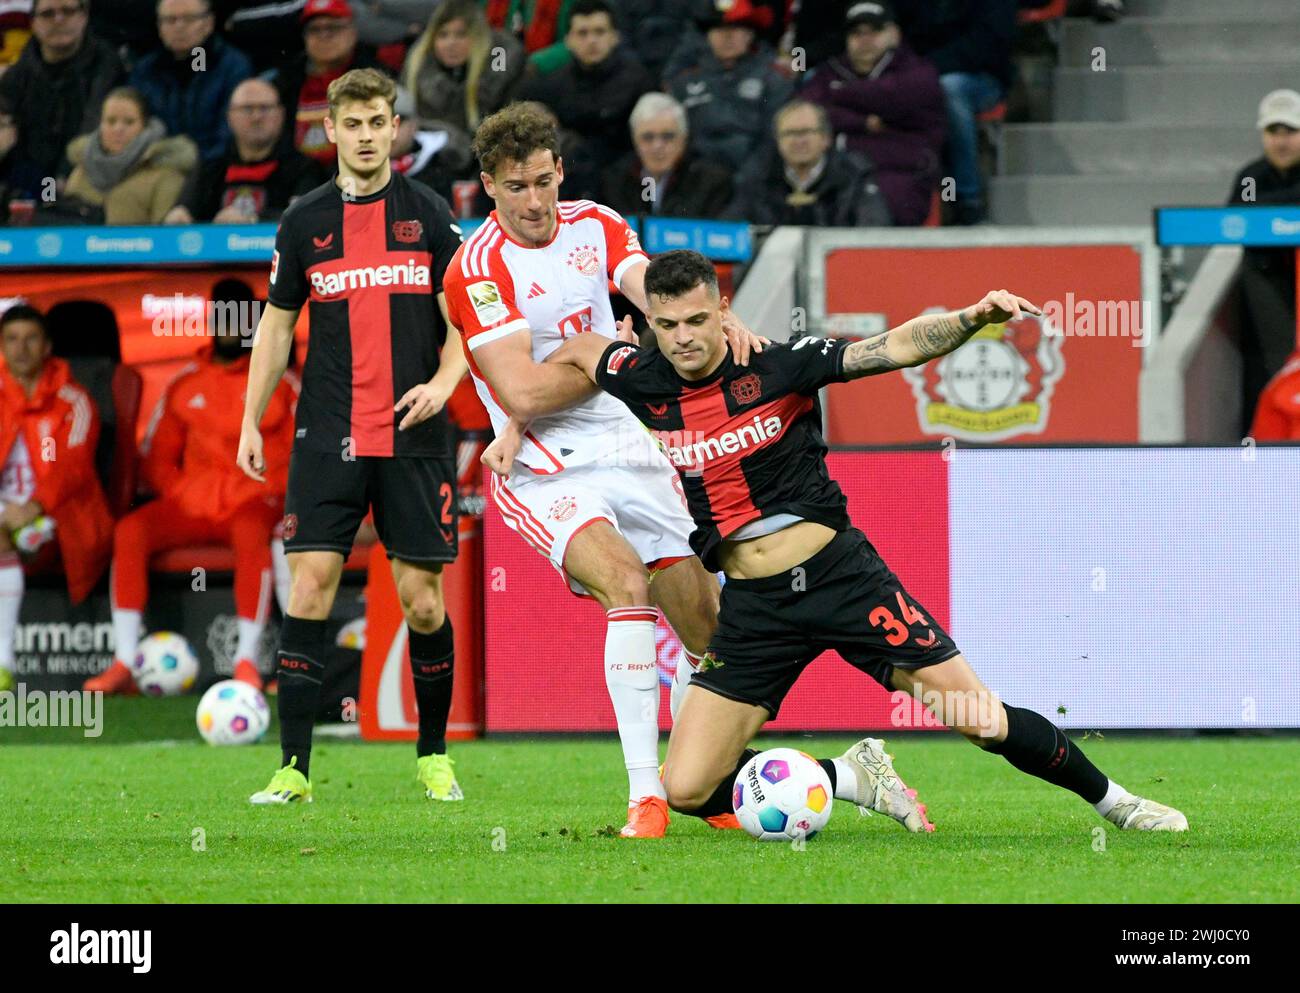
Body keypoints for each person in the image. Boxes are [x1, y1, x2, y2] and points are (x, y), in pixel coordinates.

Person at [537, 249, 1191, 835]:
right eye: (668, 323)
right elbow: (577, 349)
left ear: (722, 312)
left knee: (982, 720)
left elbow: (892, 347)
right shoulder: (640, 376)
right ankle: (850, 774)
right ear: (650, 319)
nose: (683, 337)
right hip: (755, 610)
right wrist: (516, 425)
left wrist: (970, 318)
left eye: (698, 320)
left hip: (841, 580)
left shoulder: (779, 364)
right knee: (686, 787)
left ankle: (1117, 802)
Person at [442, 102, 762, 838]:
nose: (534, 201)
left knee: (707, 624)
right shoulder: (477, 268)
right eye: (516, 186)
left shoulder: (599, 222)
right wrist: (610, 355)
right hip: (543, 461)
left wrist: (704, 319)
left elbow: (653, 287)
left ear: (562, 170)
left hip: (628, 440)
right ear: (488, 185)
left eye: (544, 181)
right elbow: (521, 391)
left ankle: (706, 788)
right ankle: (645, 796)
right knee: (624, 581)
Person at [236, 67, 469, 805]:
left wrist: (443, 383)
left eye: (379, 123)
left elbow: (468, 322)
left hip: (415, 431)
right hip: (326, 431)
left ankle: (433, 756)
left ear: (395, 128)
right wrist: (250, 418)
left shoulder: (431, 214)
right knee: (307, 588)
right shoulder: (303, 222)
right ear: (329, 131)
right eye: (353, 124)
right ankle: (293, 769)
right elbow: (275, 327)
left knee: (423, 602)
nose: (367, 136)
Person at [84, 281, 297, 697]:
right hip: (192, 504)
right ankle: (125, 661)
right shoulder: (185, 382)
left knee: (255, 532)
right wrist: (184, 491)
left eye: (240, 316)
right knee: (131, 531)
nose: (231, 326)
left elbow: (304, 452)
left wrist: (268, 490)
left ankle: (247, 660)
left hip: (254, 503)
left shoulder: (282, 381)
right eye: (223, 315)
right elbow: (156, 457)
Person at [0, 305, 113, 695]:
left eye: (31, 339)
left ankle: (2, 666)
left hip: (56, 519)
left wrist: (33, 507)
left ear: (47, 346)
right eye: (12, 340)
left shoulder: (72, 399)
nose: (21, 349)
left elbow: (74, 466)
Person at [801, 1, 945, 226]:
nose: (864, 40)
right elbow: (805, 111)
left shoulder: (919, 71)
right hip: (835, 173)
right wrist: (862, 122)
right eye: (856, 33)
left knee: (874, 203)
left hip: (900, 174)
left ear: (894, 34)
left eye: (874, 31)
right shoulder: (829, 72)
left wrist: (839, 95)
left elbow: (895, 98)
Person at [516, 0, 654, 204]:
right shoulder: (548, 86)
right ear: (568, 40)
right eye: (582, 33)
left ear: (614, 37)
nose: (591, 40)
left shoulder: (639, 81)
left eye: (599, 32)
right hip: (566, 182)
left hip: (624, 186)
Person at [894, 0, 1017, 225]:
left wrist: (925, 70)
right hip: (923, 74)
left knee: (950, 88)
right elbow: (904, 37)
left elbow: (986, 46)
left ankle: (968, 198)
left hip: (981, 77)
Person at [1229, 88, 1300, 435]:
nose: (1282, 141)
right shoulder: (1251, 177)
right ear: (1263, 136)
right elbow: (1235, 219)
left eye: (1290, 132)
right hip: (1269, 279)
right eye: (1274, 132)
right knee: (1277, 358)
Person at [165, 77, 327, 224]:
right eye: (247, 109)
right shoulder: (210, 168)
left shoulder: (304, 168)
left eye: (265, 108)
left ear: (281, 115)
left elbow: (305, 218)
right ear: (229, 116)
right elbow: (185, 210)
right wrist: (179, 215)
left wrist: (252, 220)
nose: (256, 117)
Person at [664, 0, 793, 175]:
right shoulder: (684, 81)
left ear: (750, 34)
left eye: (735, 29)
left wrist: (750, 176)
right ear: (708, 36)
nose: (727, 37)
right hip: (696, 176)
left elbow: (773, 140)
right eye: (718, 30)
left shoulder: (774, 78)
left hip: (756, 174)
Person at [0, 0, 123, 180]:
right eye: (48, 14)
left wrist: (64, 174)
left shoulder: (107, 66)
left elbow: (93, 127)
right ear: (33, 22)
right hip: (30, 177)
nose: (58, 20)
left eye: (68, 11)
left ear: (84, 16)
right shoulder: (18, 74)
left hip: (85, 173)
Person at [399, 0, 523, 174]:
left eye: (461, 34)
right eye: (443, 35)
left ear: (478, 37)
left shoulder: (499, 67)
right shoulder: (416, 71)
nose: (451, 43)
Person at [725, 100, 890, 227]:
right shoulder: (758, 174)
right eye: (789, 133)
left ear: (826, 138)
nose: (799, 141)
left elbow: (874, 227)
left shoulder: (855, 173)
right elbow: (730, 226)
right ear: (778, 141)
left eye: (806, 132)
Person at [128, 0, 253, 163]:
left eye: (189, 19)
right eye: (170, 20)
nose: (179, 27)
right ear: (159, 27)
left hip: (213, 170)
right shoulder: (145, 71)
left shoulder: (232, 67)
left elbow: (230, 137)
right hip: (156, 169)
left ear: (209, 23)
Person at [270, 0, 387, 166]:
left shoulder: (377, 79)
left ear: (353, 32)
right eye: (315, 30)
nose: (324, 36)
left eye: (333, 28)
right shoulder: (286, 82)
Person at [62, 86, 197, 224]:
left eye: (129, 122)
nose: (118, 129)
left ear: (145, 126)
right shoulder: (81, 171)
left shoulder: (166, 174)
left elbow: (166, 236)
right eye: (111, 121)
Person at [601, 91, 733, 220]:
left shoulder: (711, 183)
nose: (657, 145)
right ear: (635, 140)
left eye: (667, 136)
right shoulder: (615, 181)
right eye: (648, 137)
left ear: (683, 138)